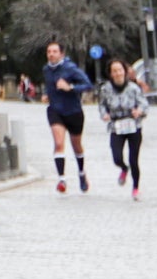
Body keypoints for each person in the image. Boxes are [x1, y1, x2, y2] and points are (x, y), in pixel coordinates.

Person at [39, 42, 95, 194]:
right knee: (58, 143)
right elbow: (49, 85)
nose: (51, 54)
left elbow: (88, 85)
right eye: (49, 51)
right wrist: (46, 94)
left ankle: (82, 173)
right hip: (55, 111)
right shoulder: (46, 69)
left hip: (74, 111)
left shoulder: (70, 68)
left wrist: (70, 88)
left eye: (54, 51)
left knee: (76, 146)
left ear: (61, 54)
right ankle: (61, 179)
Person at [99, 58, 148, 197]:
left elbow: (144, 104)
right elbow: (102, 105)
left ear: (125, 72)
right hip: (116, 126)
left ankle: (135, 187)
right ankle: (123, 168)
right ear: (110, 73)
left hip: (133, 125)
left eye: (120, 70)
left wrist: (139, 111)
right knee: (116, 157)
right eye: (114, 71)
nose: (117, 73)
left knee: (134, 159)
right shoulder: (106, 89)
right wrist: (104, 114)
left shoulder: (133, 88)